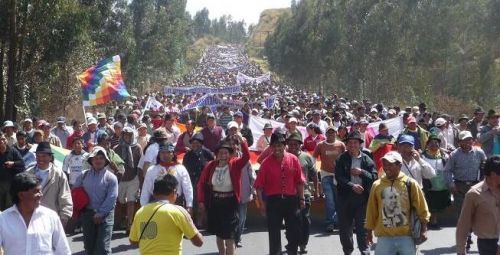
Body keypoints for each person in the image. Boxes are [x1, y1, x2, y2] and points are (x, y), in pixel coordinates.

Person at [365, 151, 430, 255]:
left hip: (406, 236)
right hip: (384, 237)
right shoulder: (377, 185)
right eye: (385, 164)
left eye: (390, 164)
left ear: (399, 165)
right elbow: (371, 210)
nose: (386, 167)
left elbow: (422, 208)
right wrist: (368, 232)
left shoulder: (411, 184)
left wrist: (424, 229)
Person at [254, 132, 305, 255]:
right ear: (271, 147)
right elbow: (259, 186)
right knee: (274, 233)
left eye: (280, 146)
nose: (277, 149)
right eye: (274, 146)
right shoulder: (266, 163)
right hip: (273, 201)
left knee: (294, 231)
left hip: (291, 200)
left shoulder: (293, 159)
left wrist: (302, 199)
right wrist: (261, 204)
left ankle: (292, 251)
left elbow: (299, 181)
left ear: (284, 146)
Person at [197, 135, 250, 255]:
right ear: (216, 154)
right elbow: (201, 183)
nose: (223, 155)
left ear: (230, 154)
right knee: (219, 234)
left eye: (226, 152)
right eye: (220, 153)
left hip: (230, 204)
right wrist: (201, 201)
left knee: (230, 237)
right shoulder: (210, 165)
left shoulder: (235, 164)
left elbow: (246, 157)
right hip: (215, 203)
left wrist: (242, 142)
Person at [129, 174, 203, 254]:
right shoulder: (178, 211)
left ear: (154, 193)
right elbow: (199, 242)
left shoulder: (141, 211)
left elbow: (133, 241)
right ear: (174, 192)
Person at [0, 172, 71, 255]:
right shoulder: (3, 219)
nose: (41, 195)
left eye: (40, 191)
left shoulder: (50, 216)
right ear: (21, 195)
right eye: (36, 191)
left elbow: (63, 250)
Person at [335, 131, 378, 255]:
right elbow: (339, 177)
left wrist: (361, 172)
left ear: (360, 144)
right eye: (350, 143)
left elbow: (374, 176)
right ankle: (348, 251)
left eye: (355, 142)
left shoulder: (367, 159)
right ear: (347, 145)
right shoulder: (341, 158)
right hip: (345, 198)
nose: (352, 145)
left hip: (362, 199)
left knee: (362, 228)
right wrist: (352, 185)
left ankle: (365, 251)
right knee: (344, 229)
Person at [444, 130, 487, 249]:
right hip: (460, 187)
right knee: (462, 214)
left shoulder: (479, 152)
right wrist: (451, 185)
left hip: (476, 186)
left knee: (477, 214)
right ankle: (465, 238)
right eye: (466, 140)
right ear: (460, 142)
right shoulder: (454, 155)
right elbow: (447, 171)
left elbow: (486, 167)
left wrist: (484, 182)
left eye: (470, 139)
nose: (469, 142)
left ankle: (472, 234)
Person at [75, 146, 119, 255]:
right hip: (87, 215)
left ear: (105, 161)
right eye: (95, 158)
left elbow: (112, 197)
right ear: (91, 160)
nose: (98, 160)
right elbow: (75, 192)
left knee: (103, 248)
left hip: (106, 215)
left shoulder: (111, 177)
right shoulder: (83, 175)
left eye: (101, 158)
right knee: (89, 247)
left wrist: (101, 213)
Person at [456, 155, 500, 255]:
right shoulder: (474, 194)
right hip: (487, 245)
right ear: (493, 174)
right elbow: (464, 223)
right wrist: (461, 250)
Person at [286, 132, 319, 254]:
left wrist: (315, 190)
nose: (293, 146)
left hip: (304, 193)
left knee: (304, 220)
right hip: (288, 194)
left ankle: (302, 243)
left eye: (296, 144)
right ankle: (291, 242)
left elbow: (314, 175)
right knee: (290, 221)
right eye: (290, 144)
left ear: (300, 145)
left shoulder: (306, 157)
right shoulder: (284, 157)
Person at [27, 142, 73, 227]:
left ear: (50, 157)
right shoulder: (28, 173)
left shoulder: (59, 174)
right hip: (31, 218)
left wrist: (64, 216)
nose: (40, 159)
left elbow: (65, 196)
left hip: (51, 219)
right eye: (38, 156)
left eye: (44, 156)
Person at [140, 143, 193, 212]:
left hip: (176, 204)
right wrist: (143, 207)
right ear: (159, 154)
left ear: (173, 154)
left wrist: (189, 205)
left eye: (168, 152)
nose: (166, 155)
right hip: (156, 206)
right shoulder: (152, 170)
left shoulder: (181, 168)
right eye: (163, 152)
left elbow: (187, 188)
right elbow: (146, 189)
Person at [312, 126, 345, 232]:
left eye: (333, 133)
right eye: (329, 133)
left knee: (337, 200)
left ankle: (338, 221)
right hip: (326, 175)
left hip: (338, 176)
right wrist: (311, 170)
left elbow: (345, 158)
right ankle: (329, 222)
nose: (331, 134)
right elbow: (313, 158)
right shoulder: (320, 145)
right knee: (329, 200)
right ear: (325, 134)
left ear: (336, 133)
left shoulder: (341, 145)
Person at [114, 127, 143, 234]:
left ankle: (129, 224)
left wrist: (141, 180)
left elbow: (140, 164)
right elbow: (113, 163)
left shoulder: (137, 147)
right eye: (125, 135)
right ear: (122, 136)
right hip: (121, 179)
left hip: (133, 178)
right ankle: (122, 219)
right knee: (121, 201)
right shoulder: (116, 148)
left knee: (131, 201)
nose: (127, 137)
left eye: (129, 135)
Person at [182, 133, 214, 226]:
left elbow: (213, 165)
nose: (195, 145)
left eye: (197, 143)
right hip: (192, 181)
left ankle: (204, 222)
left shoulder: (207, 153)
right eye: (193, 143)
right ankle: (194, 222)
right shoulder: (187, 155)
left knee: (204, 202)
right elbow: (184, 169)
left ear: (201, 143)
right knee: (193, 201)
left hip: (205, 182)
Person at [421, 135, 450, 229]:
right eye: (431, 143)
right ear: (427, 145)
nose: (434, 145)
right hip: (427, 182)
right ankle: (428, 220)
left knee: (438, 202)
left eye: (436, 143)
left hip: (441, 183)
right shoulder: (422, 155)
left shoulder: (444, 155)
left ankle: (434, 220)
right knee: (428, 201)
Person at [0, 131, 25, 211]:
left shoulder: (12, 151)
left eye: (3, 139)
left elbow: (22, 164)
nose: (2, 141)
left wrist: (13, 163)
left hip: (10, 185)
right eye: (0, 140)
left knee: (9, 209)